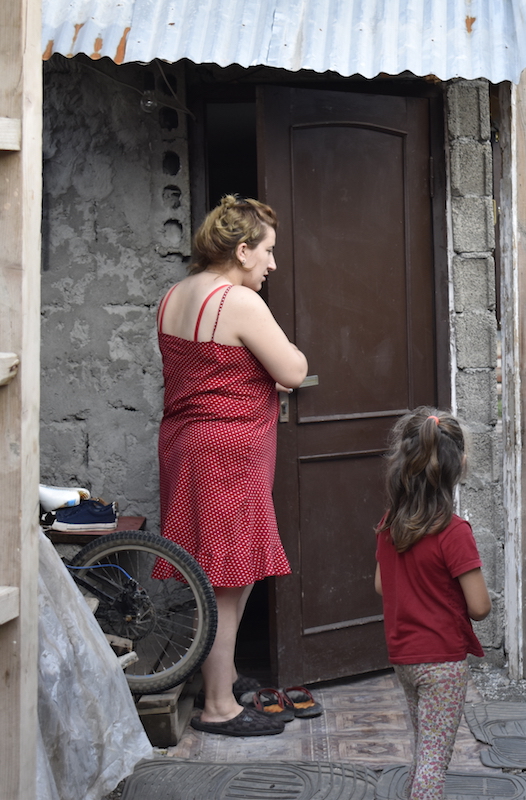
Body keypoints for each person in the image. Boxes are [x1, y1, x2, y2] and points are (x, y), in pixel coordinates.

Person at [157, 195, 308, 737]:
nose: (271, 264)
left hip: (186, 443)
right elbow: (291, 369)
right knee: (226, 581)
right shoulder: (238, 302)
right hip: (227, 452)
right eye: (266, 251)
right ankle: (218, 706)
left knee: (215, 575)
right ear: (242, 250)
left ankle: (224, 678)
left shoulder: (175, 294)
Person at [374, 409, 491, 800]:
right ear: (458, 466)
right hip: (441, 661)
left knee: (425, 749)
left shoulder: (391, 523)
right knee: (432, 763)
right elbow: (479, 607)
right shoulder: (454, 531)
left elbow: (380, 585)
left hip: (403, 656)